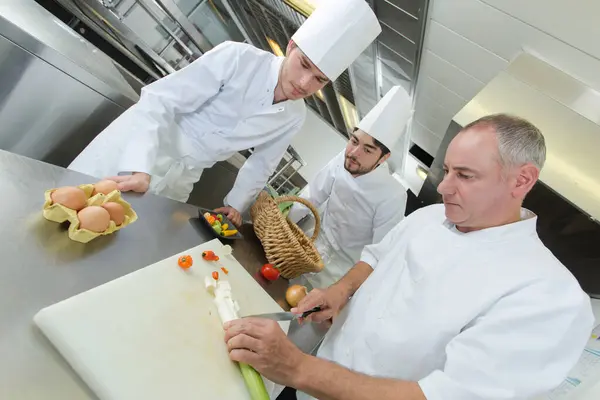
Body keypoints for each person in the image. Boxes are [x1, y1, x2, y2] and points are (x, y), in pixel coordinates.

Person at [224, 114, 595, 400]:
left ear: (521, 180)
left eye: (465, 176)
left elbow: (440, 396)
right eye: (447, 171)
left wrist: (296, 367)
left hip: (308, 375)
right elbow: (377, 256)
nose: (445, 187)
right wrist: (340, 292)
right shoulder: (432, 216)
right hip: (314, 379)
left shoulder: (549, 297)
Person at [68, 0, 381, 227]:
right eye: (305, 66)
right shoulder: (237, 58)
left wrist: (235, 205)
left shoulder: (293, 116)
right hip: (137, 152)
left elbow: (261, 163)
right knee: (67, 215)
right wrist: (138, 165)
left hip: (182, 179)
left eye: (319, 80)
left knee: (125, 241)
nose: (304, 84)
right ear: (290, 46)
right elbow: (161, 100)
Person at [287, 85, 412, 289]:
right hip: (308, 247)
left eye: (368, 149)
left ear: (383, 158)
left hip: (337, 275)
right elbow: (312, 195)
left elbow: (378, 251)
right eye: (354, 141)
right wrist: (286, 228)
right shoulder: (342, 159)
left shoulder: (393, 196)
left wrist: (345, 291)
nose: (354, 153)